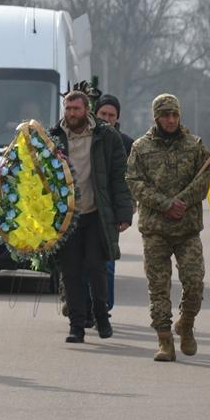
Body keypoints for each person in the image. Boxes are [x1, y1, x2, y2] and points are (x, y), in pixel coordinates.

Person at [126, 93, 210, 362]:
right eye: (165, 115)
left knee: (195, 283)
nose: (171, 120)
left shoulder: (195, 146)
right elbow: (134, 181)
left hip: (186, 230)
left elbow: (206, 178)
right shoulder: (141, 148)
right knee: (158, 288)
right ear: (156, 117)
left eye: (174, 114)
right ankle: (164, 340)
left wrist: (182, 202)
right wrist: (164, 204)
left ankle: (186, 324)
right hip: (156, 231)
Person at [48, 90, 133, 345]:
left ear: (87, 110)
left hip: (97, 214)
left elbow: (120, 177)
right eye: (68, 109)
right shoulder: (54, 139)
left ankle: (101, 316)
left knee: (97, 267)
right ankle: (77, 326)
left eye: (76, 109)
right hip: (68, 218)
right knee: (71, 272)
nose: (72, 114)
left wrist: (123, 213)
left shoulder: (107, 137)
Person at [83, 93, 135, 316]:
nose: (107, 118)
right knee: (82, 261)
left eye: (111, 115)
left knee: (106, 260)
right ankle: (81, 304)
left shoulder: (126, 143)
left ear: (118, 117)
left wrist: (127, 209)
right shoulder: (84, 137)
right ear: (95, 113)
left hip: (110, 213)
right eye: (103, 113)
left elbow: (131, 180)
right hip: (84, 207)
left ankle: (103, 306)